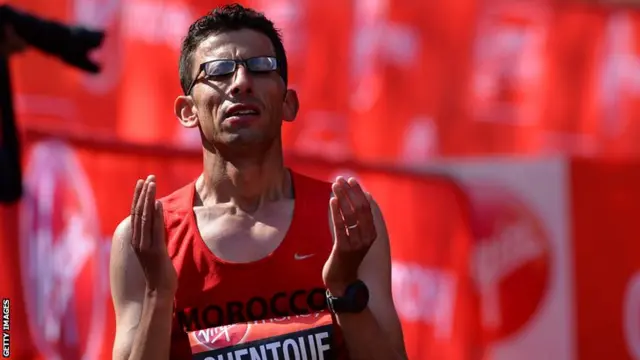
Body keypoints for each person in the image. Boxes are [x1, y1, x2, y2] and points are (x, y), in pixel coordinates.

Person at [109, 4, 407, 359]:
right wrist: (159, 294)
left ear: (288, 104)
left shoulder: (343, 220)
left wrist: (343, 286)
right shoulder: (146, 239)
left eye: (261, 67)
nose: (241, 83)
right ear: (187, 111)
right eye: (217, 71)